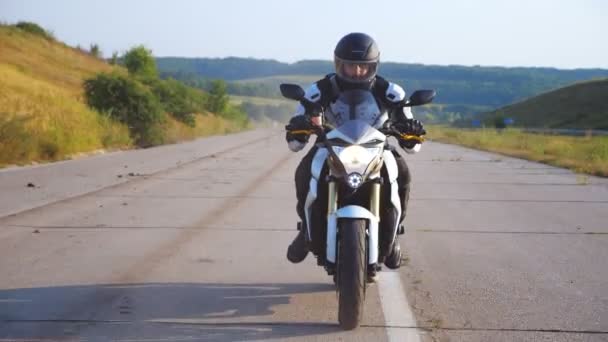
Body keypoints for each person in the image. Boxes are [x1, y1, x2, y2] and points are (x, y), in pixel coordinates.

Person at [285, 32, 426, 269]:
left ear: (373, 66)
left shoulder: (391, 92)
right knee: (305, 170)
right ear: (339, 64)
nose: (357, 71)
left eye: (363, 66)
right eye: (351, 66)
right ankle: (306, 230)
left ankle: (394, 234)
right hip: (330, 145)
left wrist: (410, 132)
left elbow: (412, 144)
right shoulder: (318, 91)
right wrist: (298, 128)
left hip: (375, 146)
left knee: (402, 171)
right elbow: (295, 144)